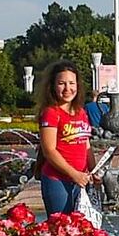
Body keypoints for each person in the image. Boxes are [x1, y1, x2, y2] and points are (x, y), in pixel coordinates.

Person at [34, 61, 94, 216]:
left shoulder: (81, 112)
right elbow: (49, 150)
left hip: (80, 180)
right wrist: (74, 174)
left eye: (72, 83)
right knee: (61, 230)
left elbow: (86, 145)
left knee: (83, 231)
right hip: (58, 181)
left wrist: (93, 171)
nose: (68, 89)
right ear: (53, 86)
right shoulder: (51, 113)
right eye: (61, 83)